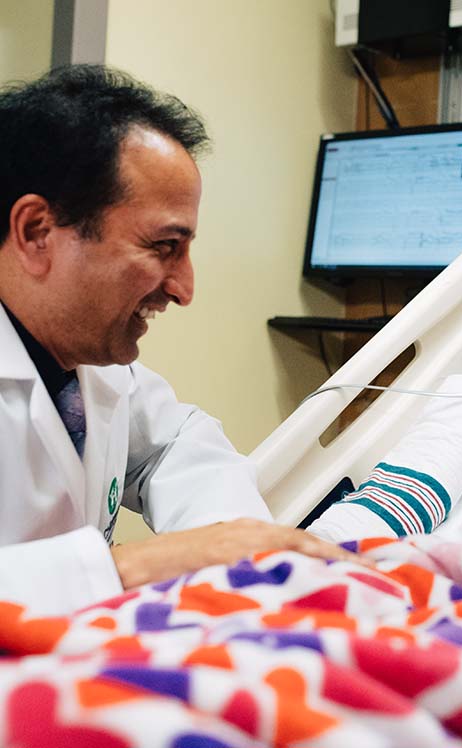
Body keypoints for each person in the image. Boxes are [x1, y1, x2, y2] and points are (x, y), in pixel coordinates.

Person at [0, 65, 359, 615]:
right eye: (164, 246)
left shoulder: (87, 362)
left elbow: (174, 441)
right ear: (36, 232)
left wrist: (234, 543)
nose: (184, 289)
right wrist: (132, 568)